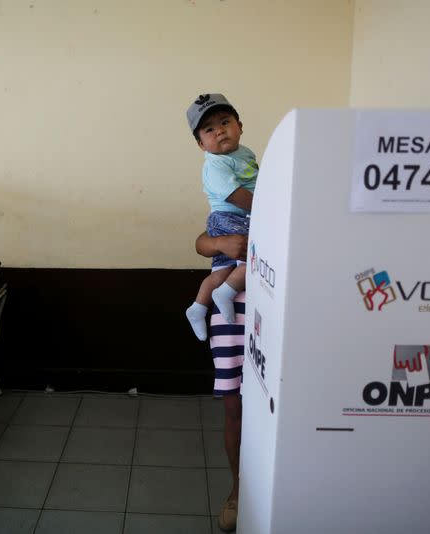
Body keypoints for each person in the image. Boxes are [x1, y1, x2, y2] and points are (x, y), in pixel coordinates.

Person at [184, 94, 258, 341]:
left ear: (240, 126)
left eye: (225, 122)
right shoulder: (215, 164)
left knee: (219, 272)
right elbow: (236, 196)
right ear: (201, 144)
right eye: (209, 129)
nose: (220, 131)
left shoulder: (245, 153)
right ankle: (226, 292)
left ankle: (197, 308)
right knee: (256, 257)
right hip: (230, 217)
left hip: (236, 217)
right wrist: (267, 208)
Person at [196, 231, 247, 533]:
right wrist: (219, 244)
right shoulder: (232, 208)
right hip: (231, 320)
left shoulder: (283, 201)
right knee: (235, 412)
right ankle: (238, 492)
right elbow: (201, 243)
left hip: (277, 310)